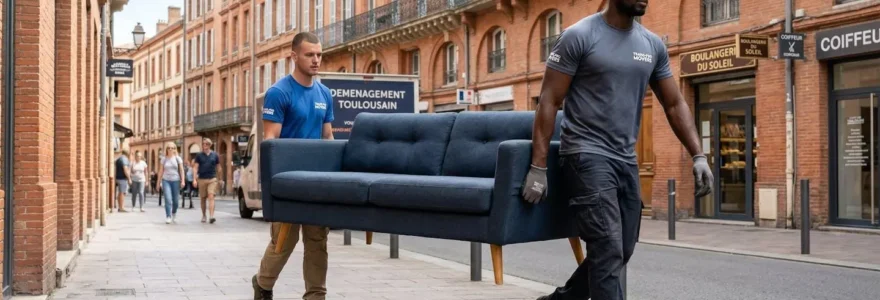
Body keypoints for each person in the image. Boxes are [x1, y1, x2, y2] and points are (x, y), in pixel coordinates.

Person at [523, 1, 714, 300]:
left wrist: (698, 155)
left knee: (620, 249)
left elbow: (675, 104)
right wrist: (538, 166)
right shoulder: (579, 35)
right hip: (585, 155)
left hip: (626, 160)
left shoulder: (652, 45)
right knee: (608, 248)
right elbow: (548, 100)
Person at [252, 32, 334, 300]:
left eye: (319, 54)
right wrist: (272, 185)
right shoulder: (279, 93)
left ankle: (315, 295)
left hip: (317, 182)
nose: (316, 60)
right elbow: (270, 141)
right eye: (310, 54)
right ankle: (263, 284)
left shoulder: (325, 94)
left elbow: (328, 138)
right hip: (287, 182)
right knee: (284, 242)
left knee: (317, 242)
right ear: (294, 56)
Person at [193, 138, 220, 224]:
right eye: (203, 144)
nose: (205, 146)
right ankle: (204, 215)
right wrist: (194, 179)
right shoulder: (199, 156)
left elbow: (218, 167)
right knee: (203, 198)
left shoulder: (215, 155)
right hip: (201, 179)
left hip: (212, 178)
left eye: (206, 144)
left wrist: (220, 178)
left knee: (211, 196)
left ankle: (211, 216)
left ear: (210, 145)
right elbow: (195, 167)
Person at [157, 142, 185, 224]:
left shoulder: (178, 158)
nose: (170, 149)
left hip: (176, 180)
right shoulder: (164, 159)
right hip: (166, 180)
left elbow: (181, 170)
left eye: (172, 148)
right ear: (166, 149)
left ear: (175, 149)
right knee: (168, 199)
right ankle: (168, 216)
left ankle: (174, 213)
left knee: (176, 201)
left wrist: (183, 180)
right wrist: (158, 182)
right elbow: (161, 171)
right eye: (168, 148)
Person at [114, 148, 131, 213]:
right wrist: (129, 178)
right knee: (122, 193)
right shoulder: (124, 159)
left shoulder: (118, 159)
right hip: (123, 178)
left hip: (118, 178)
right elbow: (125, 169)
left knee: (120, 193)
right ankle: (121, 208)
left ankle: (120, 207)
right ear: (127, 154)